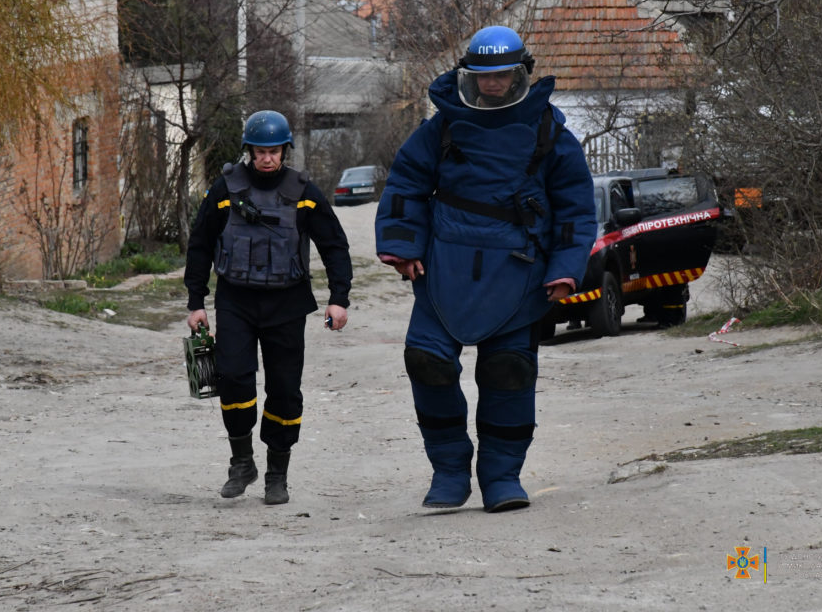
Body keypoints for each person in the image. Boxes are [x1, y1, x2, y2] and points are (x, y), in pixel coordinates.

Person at [374, 25, 597, 513]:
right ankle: (450, 472)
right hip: (442, 267)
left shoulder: (549, 130)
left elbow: (577, 210)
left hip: (517, 270)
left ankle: (501, 477)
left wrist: (565, 269)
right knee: (426, 362)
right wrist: (401, 246)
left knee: (509, 372)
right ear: (467, 77)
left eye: (502, 76)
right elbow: (406, 185)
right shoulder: (443, 126)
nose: (492, 84)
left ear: (521, 75)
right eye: (483, 76)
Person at [185, 110, 352, 505]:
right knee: (233, 379)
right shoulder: (225, 189)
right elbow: (200, 244)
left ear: (284, 150)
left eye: (274, 151)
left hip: (287, 303)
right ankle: (242, 462)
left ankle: (278, 473)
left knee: (285, 392)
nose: (267, 159)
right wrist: (196, 302)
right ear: (249, 150)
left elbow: (334, 245)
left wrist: (339, 297)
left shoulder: (305, 191)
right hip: (236, 300)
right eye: (260, 151)